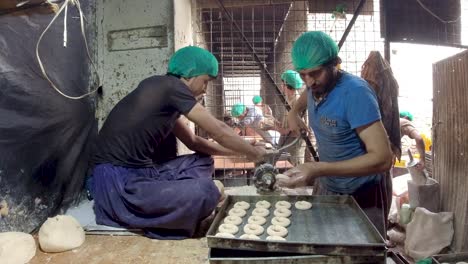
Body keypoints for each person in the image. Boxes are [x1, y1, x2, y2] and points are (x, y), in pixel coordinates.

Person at [90, 46, 267, 240]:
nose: (206, 89)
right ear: (191, 74)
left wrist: (241, 153)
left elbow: (193, 142)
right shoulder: (171, 87)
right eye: (205, 81)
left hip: (143, 173)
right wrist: (254, 153)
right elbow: (218, 130)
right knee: (206, 191)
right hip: (117, 184)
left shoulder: (165, 93)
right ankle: (179, 199)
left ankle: (175, 196)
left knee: (203, 161)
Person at [277, 31, 393, 236]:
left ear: (336, 64)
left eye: (315, 73)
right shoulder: (315, 87)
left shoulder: (355, 94)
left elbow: (383, 159)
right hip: (329, 185)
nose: (309, 82)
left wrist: (317, 168)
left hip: (362, 194)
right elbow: (306, 95)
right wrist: (294, 111)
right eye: (303, 74)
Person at [277, 70, 306, 165]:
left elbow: (302, 126)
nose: (281, 86)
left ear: (287, 85)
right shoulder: (289, 99)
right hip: (288, 138)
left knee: (296, 164)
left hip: (295, 139)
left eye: (283, 83)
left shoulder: (297, 101)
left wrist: (284, 130)